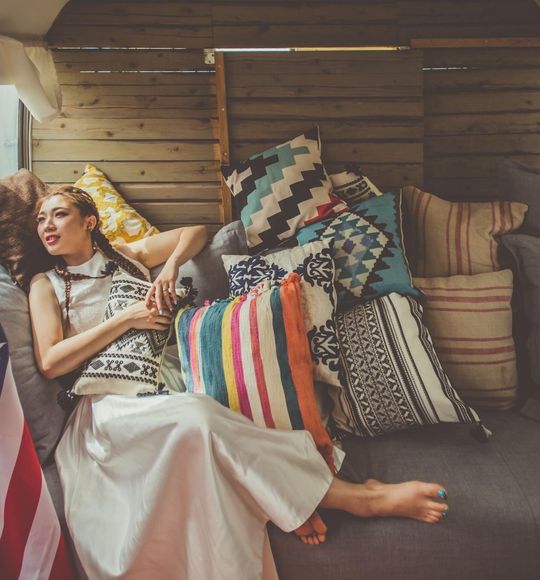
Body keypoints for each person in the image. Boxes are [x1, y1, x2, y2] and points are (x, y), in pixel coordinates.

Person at [29, 186, 449, 580]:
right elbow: (49, 362)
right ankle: (351, 498)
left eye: (59, 214)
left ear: (89, 221)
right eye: (41, 219)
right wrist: (127, 319)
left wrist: (169, 268)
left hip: (158, 386)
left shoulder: (127, 255)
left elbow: (196, 233)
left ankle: (294, 499)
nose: (47, 225)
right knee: (198, 418)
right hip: (105, 409)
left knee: (207, 422)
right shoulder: (44, 284)